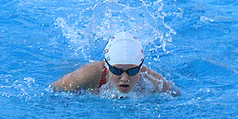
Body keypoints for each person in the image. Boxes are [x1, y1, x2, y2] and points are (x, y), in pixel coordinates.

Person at [50, 32, 178, 96]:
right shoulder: (86, 75)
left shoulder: (155, 81)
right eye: (117, 70)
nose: (125, 78)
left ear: (141, 67)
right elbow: (52, 91)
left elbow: (176, 97)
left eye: (132, 71)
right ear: (107, 66)